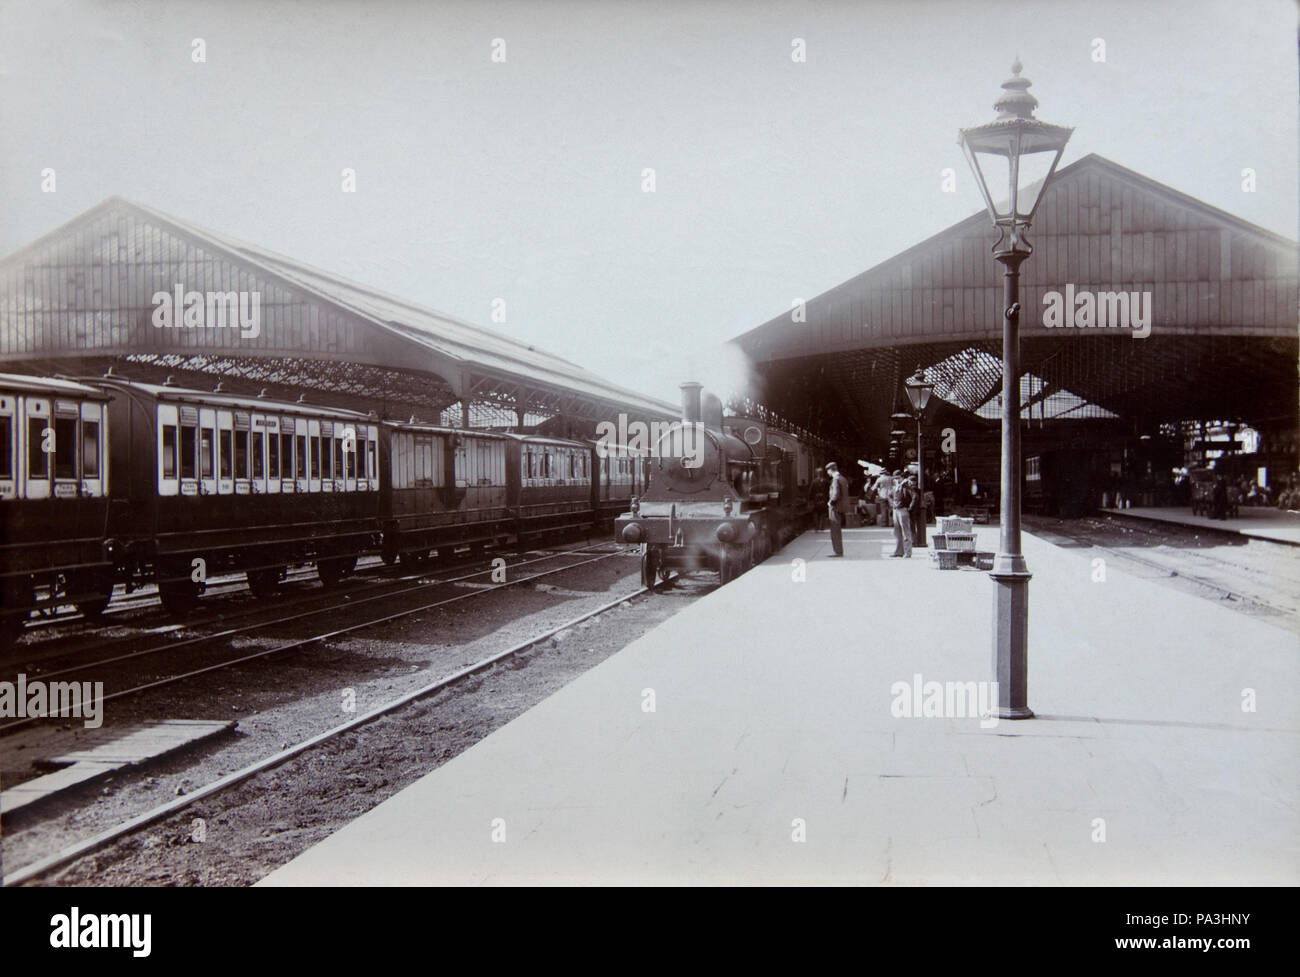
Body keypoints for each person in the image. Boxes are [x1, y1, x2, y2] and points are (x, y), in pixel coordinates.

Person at [825, 462, 849, 557]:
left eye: (828, 471)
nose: (827, 473)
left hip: (835, 507)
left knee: (835, 530)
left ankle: (838, 551)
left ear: (831, 470)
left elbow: (835, 494)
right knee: (837, 529)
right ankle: (839, 551)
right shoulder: (843, 478)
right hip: (841, 507)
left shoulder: (835, 479)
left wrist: (830, 502)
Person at [889, 469, 915, 558]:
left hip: (903, 509)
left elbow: (914, 496)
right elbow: (890, 495)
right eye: (895, 478)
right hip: (896, 509)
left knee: (905, 532)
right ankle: (898, 551)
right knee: (897, 532)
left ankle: (908, 552)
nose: (896, 480)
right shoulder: (896, 486)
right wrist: (892, 502)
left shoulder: (906, 485)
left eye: (897, 478)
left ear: (901, 477)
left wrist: (909, 507)